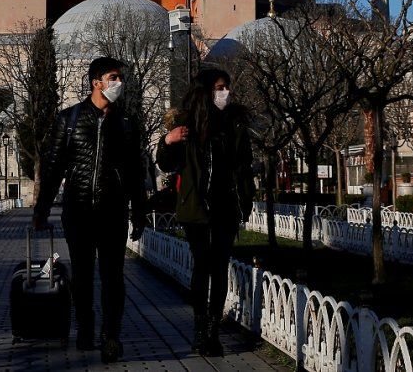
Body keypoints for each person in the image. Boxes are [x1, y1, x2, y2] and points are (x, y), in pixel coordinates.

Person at [33, 56, 149, 363]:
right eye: (113, 78)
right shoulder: (69, 119)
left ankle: (111, 335)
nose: (118, 84)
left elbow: (137, 173)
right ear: (96, 82)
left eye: (120, 78)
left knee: (114, 276)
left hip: (113, 211)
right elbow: (54, 166)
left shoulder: (126, 124)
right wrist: (41, 210)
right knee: (82, 276)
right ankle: (85, 327)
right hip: (79, 210)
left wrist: (139, 212)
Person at [157, 68, 255, 356]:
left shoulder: (234, 124)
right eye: (219, 88)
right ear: (205, 92)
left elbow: (244, 166)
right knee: (202, 266)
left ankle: (213, 330)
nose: (224, 93)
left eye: (226, 87)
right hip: (195, 208)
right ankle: (201, 327)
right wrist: (167, 141)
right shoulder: (186, 124)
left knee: (219, 268)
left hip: (225, 206)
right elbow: (167, 164)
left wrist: (245, 201)